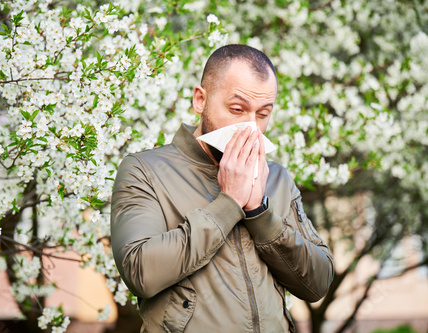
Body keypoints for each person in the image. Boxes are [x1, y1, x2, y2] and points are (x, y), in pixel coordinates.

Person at [111, 44, 334, 333]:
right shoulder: (145, 171)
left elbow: (317, 284)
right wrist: (229, 203)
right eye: (237, 109)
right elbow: (140, 272)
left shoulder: (276, 177)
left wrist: (259, 212)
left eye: (263, 114)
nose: (250, 128)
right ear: (200, 100)